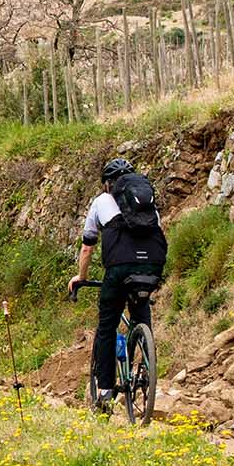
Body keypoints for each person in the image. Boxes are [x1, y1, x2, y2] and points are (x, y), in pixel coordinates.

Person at [69, 157, 168, 410]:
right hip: (151, 267)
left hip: (118, 269)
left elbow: (87, 247)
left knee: (107, 326)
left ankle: (104, 392)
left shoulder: (101, 202)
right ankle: (144, 361)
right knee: (141, 313)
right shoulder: (149, 207)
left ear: (107, 185)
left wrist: (81, 277)